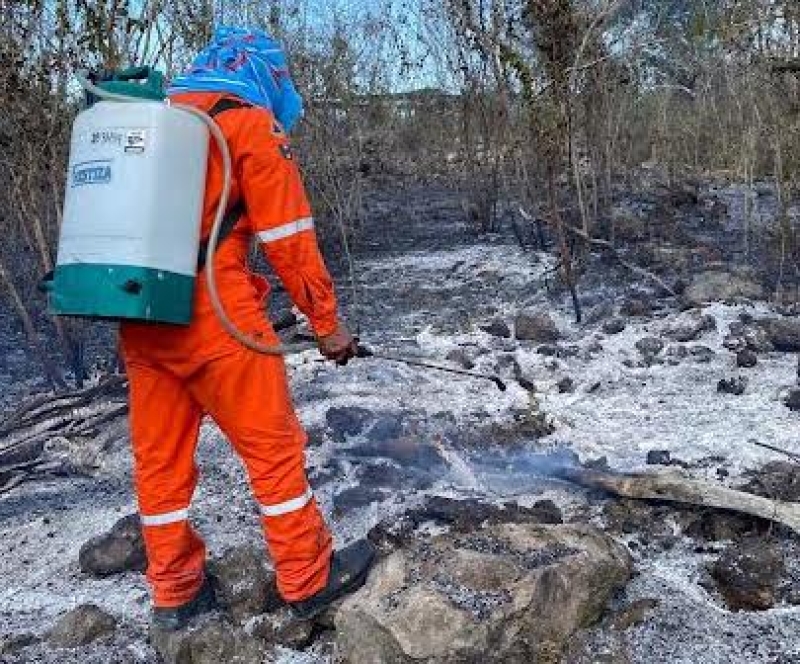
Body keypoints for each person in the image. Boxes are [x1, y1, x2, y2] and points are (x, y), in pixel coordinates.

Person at [119, 26, 375, 631]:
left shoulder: (156, 115)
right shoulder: (249, 124)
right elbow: (289, 240)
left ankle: (175, 594)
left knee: (159, 462)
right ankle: (309, 580)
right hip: (216, 315)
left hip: (142, 316)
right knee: (273, 449)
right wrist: (328, 324)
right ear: (267, 75)